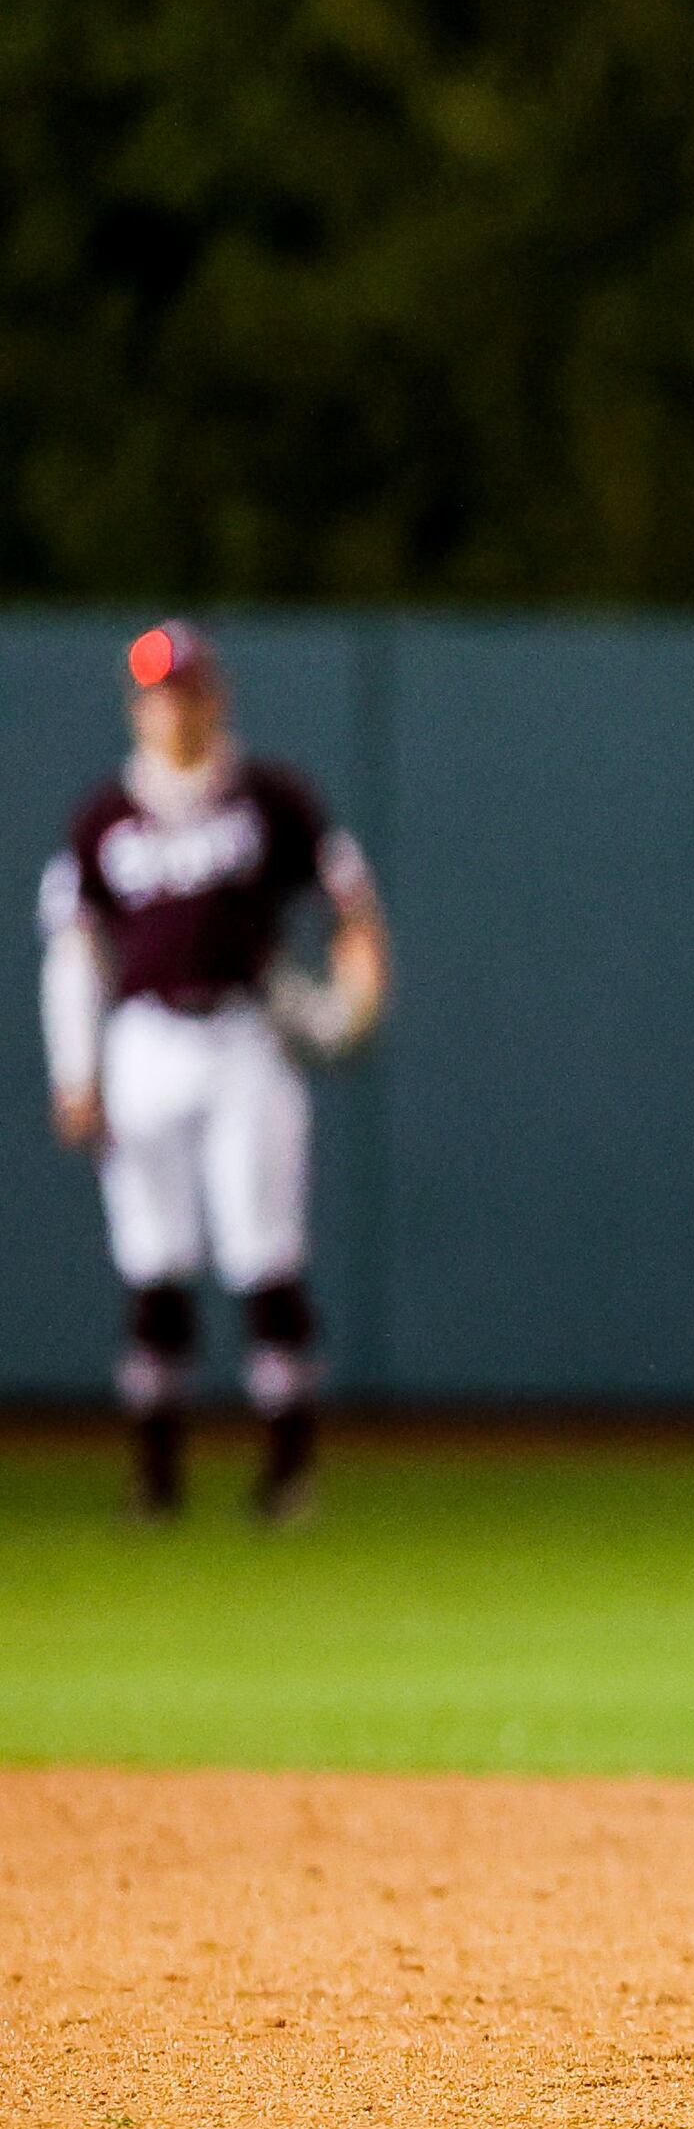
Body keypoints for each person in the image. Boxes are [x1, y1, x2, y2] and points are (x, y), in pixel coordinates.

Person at [39, 621, 392, 1523]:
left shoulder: (269, 799)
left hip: (243, 1039)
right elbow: (74, 951)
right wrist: (76, 1070)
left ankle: (289, 1474)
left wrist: (354, 990)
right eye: (157, 694)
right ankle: (156, 1479)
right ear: (137, 706)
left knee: (263, 1253)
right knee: (154, 1260)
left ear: (215, 695)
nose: (173, 708)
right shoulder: (103, 818)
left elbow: (351, 904)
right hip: (145, 1043)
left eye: (186, 690)